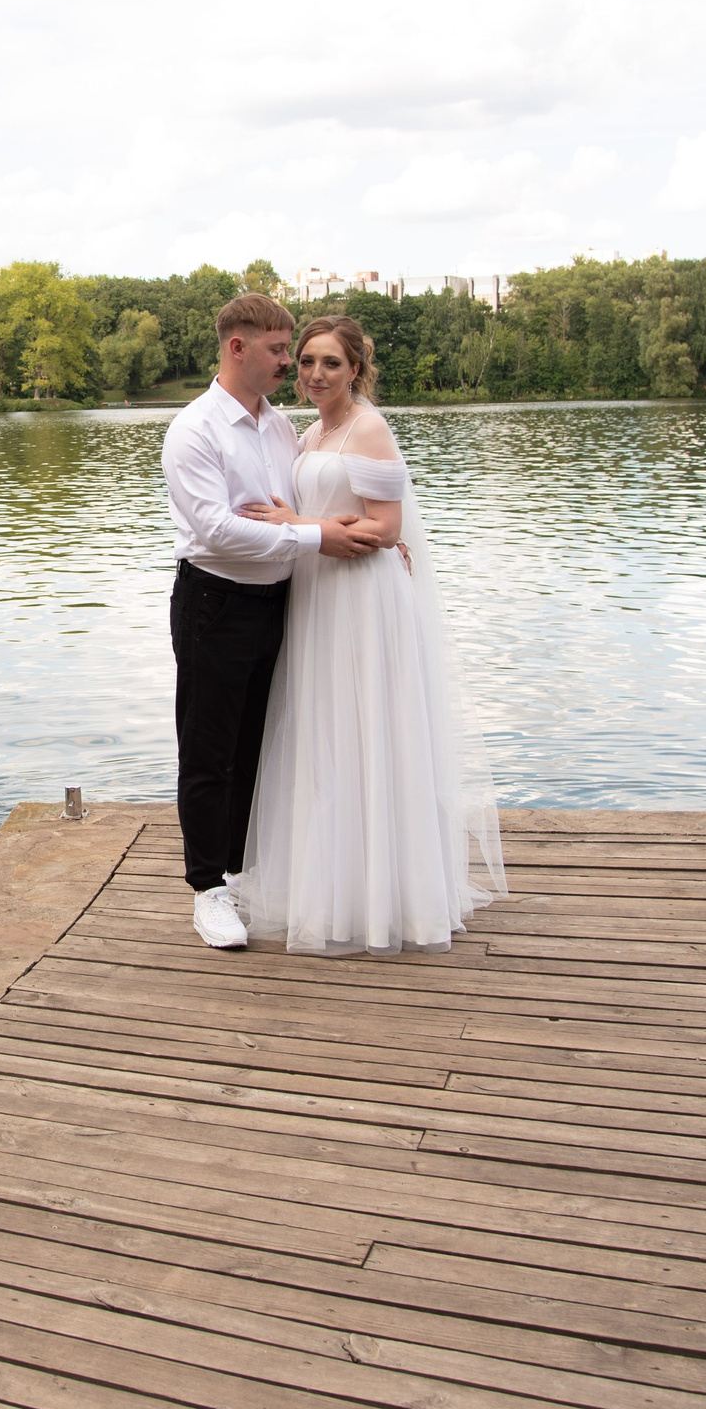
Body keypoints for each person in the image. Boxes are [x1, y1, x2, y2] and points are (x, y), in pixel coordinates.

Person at [234, 316, 505, 954]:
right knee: (325, 731)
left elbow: (386, 529)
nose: (315, 373)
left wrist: (297, 521)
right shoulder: (309, 433)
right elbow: (332, 518)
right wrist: (305, 524)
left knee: (369, 729)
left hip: (361, 596)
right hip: (318, 593)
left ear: (356, 369)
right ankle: (334, 886)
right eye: (306, 361)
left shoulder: (369, 428)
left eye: (331, 362)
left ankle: (389, 895)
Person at [161, 294, 376, 951]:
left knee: (259, 744)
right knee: (210, 751)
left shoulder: (282, 427)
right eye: (280, 350)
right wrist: (319, 538)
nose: (291, 363)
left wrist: (376, 537)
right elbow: (218, 530)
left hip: (280, 602)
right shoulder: (195, 430)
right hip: (215, 603)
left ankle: (240, 870)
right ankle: (207, 888)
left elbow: (302, 503)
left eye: (291, 350)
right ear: (238, 348)